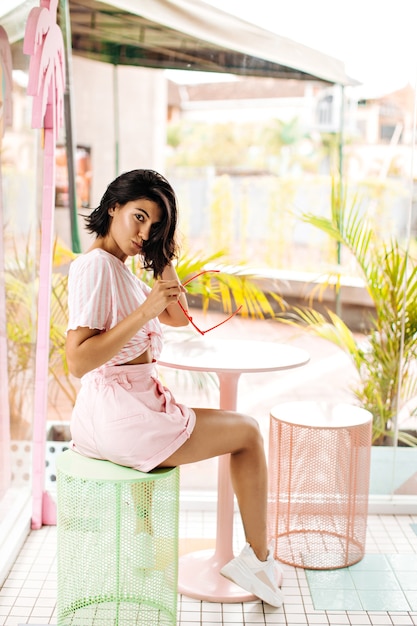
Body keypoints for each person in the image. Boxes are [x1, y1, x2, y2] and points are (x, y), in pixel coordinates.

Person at [65, 168, 284, 608]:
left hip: (124, 408)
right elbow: (77, 361)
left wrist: (162, 255)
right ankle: (258, 562)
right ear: (113, 208)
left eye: (155, 226)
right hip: (122, 412)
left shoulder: (119, 269)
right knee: (248, 433)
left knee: (237, 428)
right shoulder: (95, 267)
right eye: (139, 217)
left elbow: (179, 317)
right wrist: (145, 311)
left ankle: (145, 545)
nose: (143, 232)